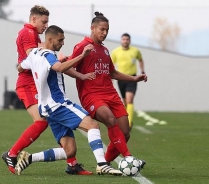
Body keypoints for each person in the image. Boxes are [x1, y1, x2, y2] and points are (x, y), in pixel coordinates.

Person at [15, 25, 122, 176]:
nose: (63, 43)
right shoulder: (48, 55)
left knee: (69, 150)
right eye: (60, 40)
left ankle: (29, 158)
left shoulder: (34, 53)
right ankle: (102, 164)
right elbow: (59, 68)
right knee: (92, 125)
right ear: (50, 39)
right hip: (58, 104)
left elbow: (20, 67)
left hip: (46, 107)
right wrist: (82, 56)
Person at [1, 5, 92, 175]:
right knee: (43, 120)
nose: (46, 25)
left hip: (38, 85)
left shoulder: (34, 35)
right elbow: (34, 55)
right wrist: (59, 58)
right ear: (33, 19)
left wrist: (78, 74)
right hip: (28, 84)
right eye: (44, 21)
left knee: (54, 117)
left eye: (47, 22)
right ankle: (11, 154)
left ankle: (72, 163)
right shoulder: (28, 33)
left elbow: (44, 60)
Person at [67, 12, 147, 166]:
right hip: (92, 95)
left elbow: (113, 73)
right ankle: (128, 157)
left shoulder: (104, 50)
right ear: (92, 28)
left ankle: (103, 164)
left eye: (107, 30)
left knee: (125, 133)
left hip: (111, 94)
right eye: (102, 29)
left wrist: (134, 78)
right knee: (110, 120)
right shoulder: (82, 46)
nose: (104, 33)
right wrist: (82, 76)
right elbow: (66, 67)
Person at [111, 33, 145, 129]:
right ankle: (126, 119)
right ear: (121, 40)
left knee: (129, 99)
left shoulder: (135, 51)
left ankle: (129, 123)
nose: (125, 41)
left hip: (132, 78)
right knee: (125, 101)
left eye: (127, 39)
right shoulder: (115, 52)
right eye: (124, 39)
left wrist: (142, 70)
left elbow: (141, 60)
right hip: (120, 78)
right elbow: (111, 65)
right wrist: (111, 78)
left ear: (129, 41)